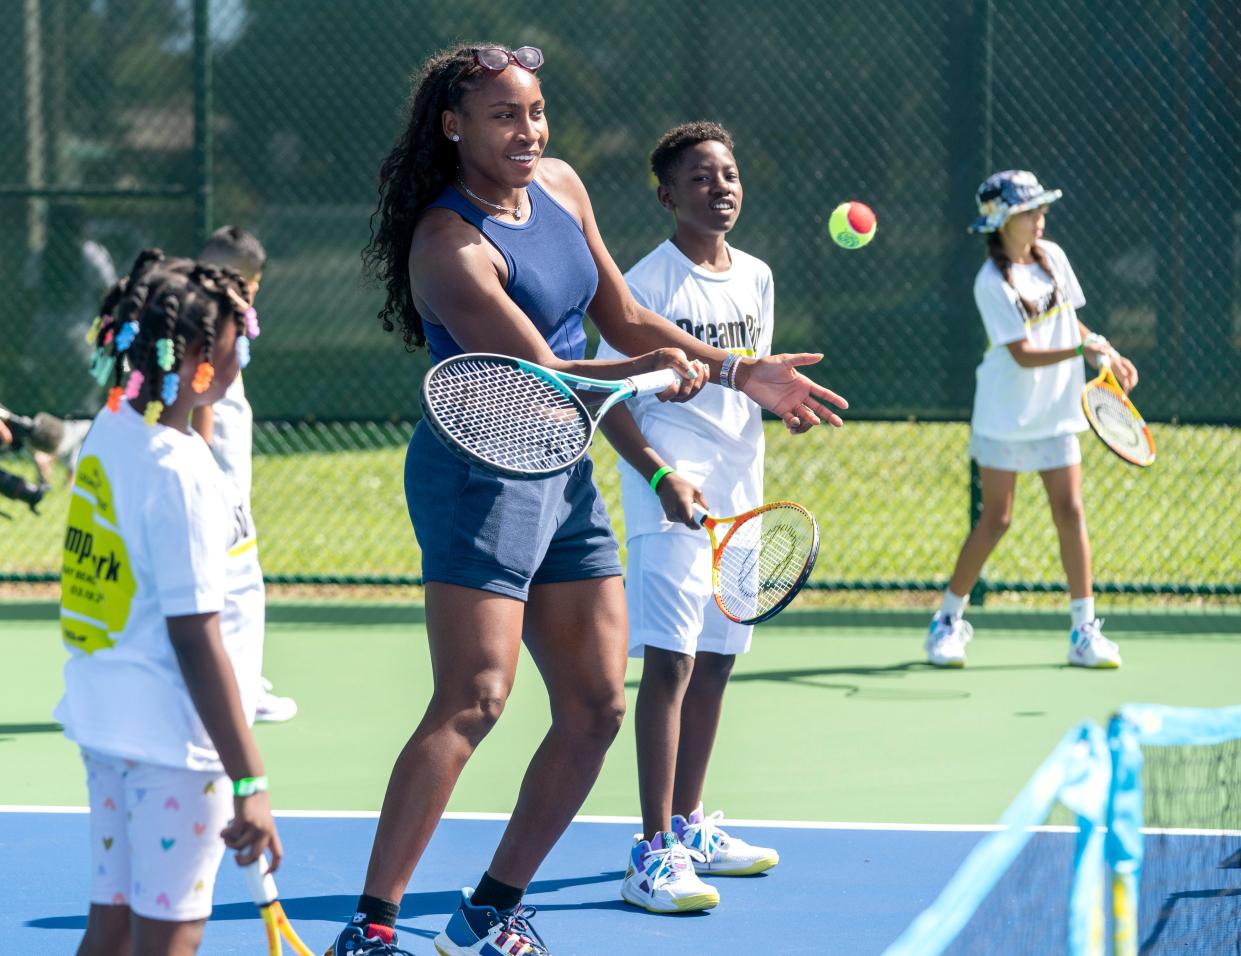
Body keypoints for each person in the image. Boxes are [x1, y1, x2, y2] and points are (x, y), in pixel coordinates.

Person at [329, 43, 847, 956]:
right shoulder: (447, 246)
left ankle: (489, 912)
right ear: (454, 127)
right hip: (478, 473)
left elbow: (620, 315)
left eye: (534, 113)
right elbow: (555, 371)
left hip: (562, 471)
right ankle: (370, 929)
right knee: (474, 698)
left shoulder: (561, 187)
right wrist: (649, 372)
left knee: (597, 707)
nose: (527, 132)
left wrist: (734, 370)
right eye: (503, 117)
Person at [57, 250, 279, 954]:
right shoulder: (178, 475)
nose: (243, 351)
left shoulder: (113, 428)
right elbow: (194, 634)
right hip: (178, 747)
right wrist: (248, 777)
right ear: (195, 356)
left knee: (111, 930)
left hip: (108, 726)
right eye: (233, 341)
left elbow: (176, 431)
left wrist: (195, 408)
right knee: (169, 939)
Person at [595, 121, 779, 915]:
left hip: (740, 490)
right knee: (668, 665)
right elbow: (603, 397)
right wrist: (661, 476)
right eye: (700, 178)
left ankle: (690, 823)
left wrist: (781, 400)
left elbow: (746, 382)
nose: (720, 187)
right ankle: (652, 851)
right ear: (668, 196)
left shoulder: (759, 277)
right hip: (670, 493)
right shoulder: (644, 286)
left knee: (716, 661)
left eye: (729, 174)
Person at [924, 170, 1139, 670]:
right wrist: (1083, 346)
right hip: (1005, 415)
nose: (1042, 218)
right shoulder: (990, 282)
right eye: (1031, 212)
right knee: (996, 520)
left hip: (1058, 414)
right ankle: (946, 623)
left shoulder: (1054, 258)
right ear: (1002, 222)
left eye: (1042, 209)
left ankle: (1084, 633)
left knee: (1071, 511)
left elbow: (1068, 321)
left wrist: (1101, 346)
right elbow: (1024, 354)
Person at [191, 225, 297, 724]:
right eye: (254, 287)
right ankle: (241, 689)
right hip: (217, 478)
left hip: (221, 474)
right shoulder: (215, 322)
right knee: (239, 586)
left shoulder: (190, 311)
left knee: (224, 583)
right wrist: (204, 468)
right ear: (243, 283)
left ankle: (235, 678)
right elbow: (203, 399)